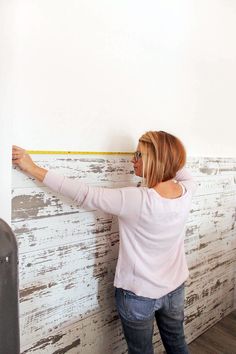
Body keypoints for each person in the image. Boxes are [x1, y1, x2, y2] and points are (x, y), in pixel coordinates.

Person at [12, 131, 196, 354]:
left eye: (139, 154)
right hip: (175, 290)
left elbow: (84, 193)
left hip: (139, 296)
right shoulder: (187, 190)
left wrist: (32, 168)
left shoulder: (136, 199)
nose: (132, 160)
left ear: (157, 159)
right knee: (177, 344)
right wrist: (164, 156)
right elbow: (179, 168)